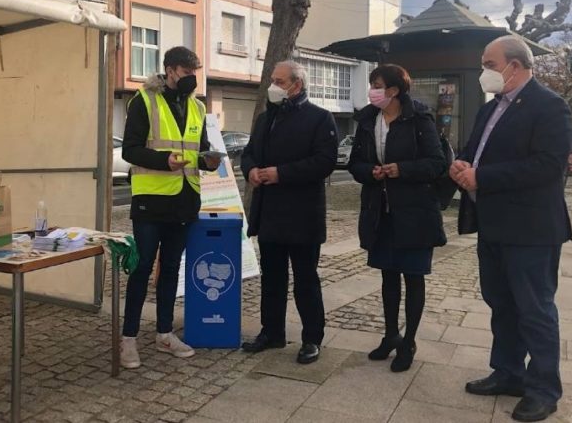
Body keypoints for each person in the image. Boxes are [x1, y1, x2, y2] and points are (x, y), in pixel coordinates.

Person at [450, 35, 572, 422]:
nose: (483, 70)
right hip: (494, 224)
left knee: (535, 310)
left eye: (489, 63)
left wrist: (482, 177)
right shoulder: (491, 109)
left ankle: (543, 390)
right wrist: (461, 165)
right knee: (501, 304)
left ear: (515, 66)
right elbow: (473, 149)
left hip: (531, 228)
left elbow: (549, 166)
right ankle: (508, 373)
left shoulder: (549, 106)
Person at [120, 46, 220, 369]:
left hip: (185, 200)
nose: (192, 78)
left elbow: (200, 150)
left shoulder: (198, 108)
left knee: (172, 270)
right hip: (151, 201)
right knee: (142, 268)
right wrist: (164, 161)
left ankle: (164, 333)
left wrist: (209, 160)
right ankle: (128, 339)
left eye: (196, 72)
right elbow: (131, 151)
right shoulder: (143, 101)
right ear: (170, 70)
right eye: (187, 72)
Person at [347, 64, 447, 373]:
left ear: (393, 90)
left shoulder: (419, 119)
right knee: (387, 275)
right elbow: (355, 164)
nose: (371, 90)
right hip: (381, 211)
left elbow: (436, 163)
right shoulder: (367, 120)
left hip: (415, 213)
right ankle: (391, 334)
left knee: (413, 277)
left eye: (376, 84)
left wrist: (401, 169)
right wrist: (371, 172)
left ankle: (409, 342)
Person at [240, 60, 338, 364]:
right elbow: (249, 153)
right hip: (269, 211)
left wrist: (280, 173)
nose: (274, 86)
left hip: (302, 214)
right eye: (273, 80)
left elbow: (324, 162)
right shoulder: (265, 118)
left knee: (306, 278)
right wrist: (252, 170)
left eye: (280, 81)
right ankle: (272, 331)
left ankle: (312, 338)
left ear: (297, 85)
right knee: (272, 277)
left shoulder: (320, 119)